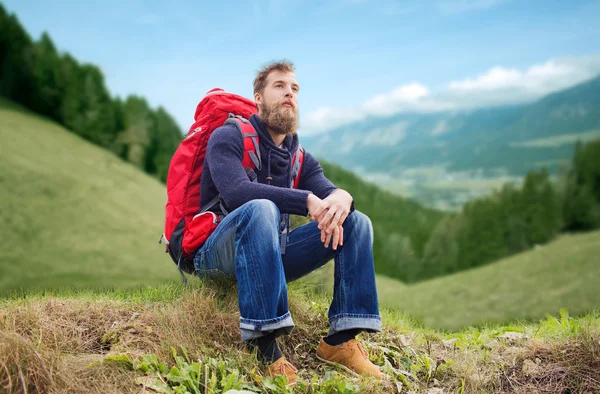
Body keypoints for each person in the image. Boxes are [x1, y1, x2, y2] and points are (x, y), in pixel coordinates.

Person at [194, 60, 382, 384]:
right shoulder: (228, 137)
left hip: (270, 255)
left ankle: (340, 341)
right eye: (279, 86)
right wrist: (305, 200)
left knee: (356, 223)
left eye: (294, 88)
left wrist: (342, 197)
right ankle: (263, 347)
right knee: (260, 208)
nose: (289, 93)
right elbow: (238, 192)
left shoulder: (300, 157)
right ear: (258, 98)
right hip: (217, 253)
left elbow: (328, 194)